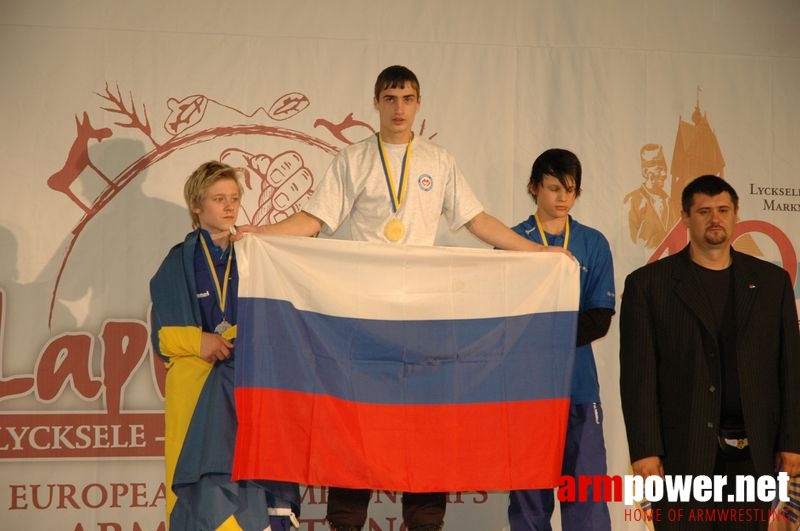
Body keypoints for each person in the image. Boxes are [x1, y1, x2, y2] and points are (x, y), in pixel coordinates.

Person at [236, 65, 567, 531]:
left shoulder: (439, 161)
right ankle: (345, 524)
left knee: (425, 432)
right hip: (362, 317)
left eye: (407, 98)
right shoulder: (352, 160)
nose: (398, 107)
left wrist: (541, 255)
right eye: (390, 98)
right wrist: (260, 234)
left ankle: (426, 526)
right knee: (355, 428)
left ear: (419, 104)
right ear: (376, 102)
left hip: (424, 319)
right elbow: (315, 219)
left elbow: (477, 221)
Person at [619, 174, 800, 530]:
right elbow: (638, 376)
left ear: (735, 215)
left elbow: (791, 368)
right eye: (704, 211)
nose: (714, 218)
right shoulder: (648, 285)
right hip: (680, 451)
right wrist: (644, 450)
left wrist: (792, 442)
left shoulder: (771, 282)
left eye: (722, 209)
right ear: (685, 217)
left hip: (755, 451)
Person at [150, 161, 300, 530]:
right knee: (207, 496)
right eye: (219, 199)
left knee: (255, 487)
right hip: (199, 393)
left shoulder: (255, 254)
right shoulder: (177, 261)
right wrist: (198, 340)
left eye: (234, 198)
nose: (230, 207)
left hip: (249, 388)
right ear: (197, 206)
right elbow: (163, 337)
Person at [506, 148, 615, 531]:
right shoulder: (511, 241)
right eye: (553, 187)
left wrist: (542, 336)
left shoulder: (593, 243)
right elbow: (502, 318)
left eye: (570, 189)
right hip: (527, 390)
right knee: (528, 499)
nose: (562, 197)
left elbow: (600, 320)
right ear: (534, 187)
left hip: (578, 388)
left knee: (585, 491)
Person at [623, 144, 678, 249]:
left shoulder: (670, 202)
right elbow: (628, 245)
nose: (663, 174)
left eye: (665, 169)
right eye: (658, 169)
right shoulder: (632, 200)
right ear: (645, 172)